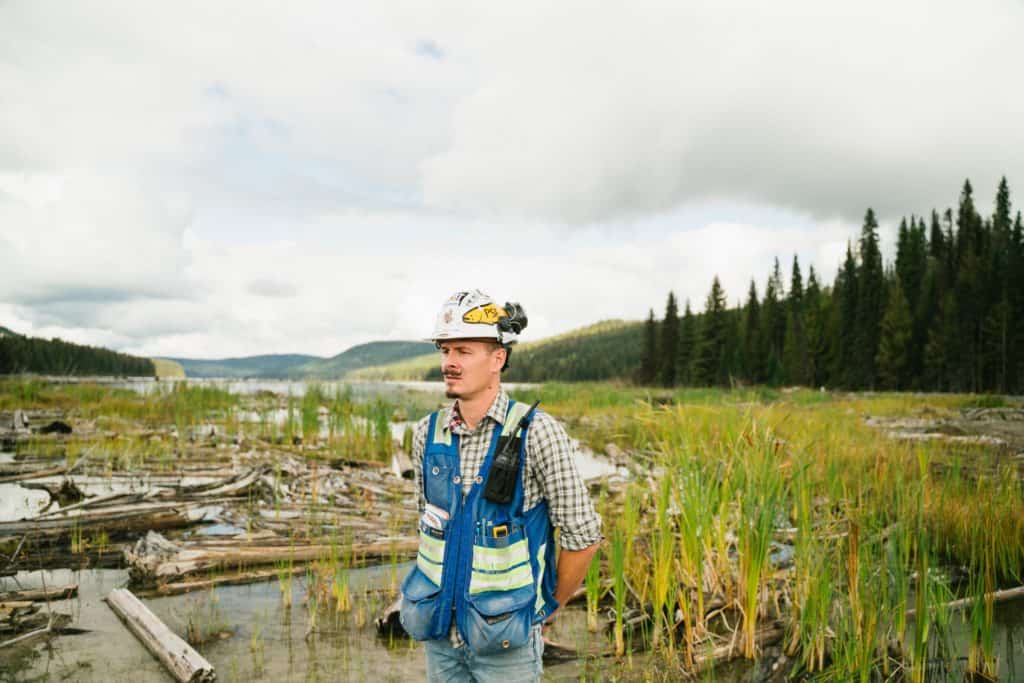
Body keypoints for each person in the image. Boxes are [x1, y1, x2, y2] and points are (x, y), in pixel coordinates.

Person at [400, 290, 603, 682]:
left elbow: (584, 537)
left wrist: (546, 611)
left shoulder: (538, 433)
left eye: (463, 350)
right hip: (439, 636)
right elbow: (426, 528)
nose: (449, 363)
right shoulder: (427, 432)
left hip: (508, 649)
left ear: (498, 358)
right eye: (445, 351)